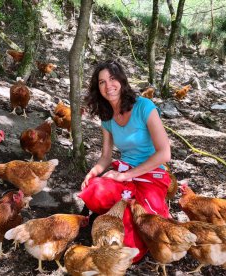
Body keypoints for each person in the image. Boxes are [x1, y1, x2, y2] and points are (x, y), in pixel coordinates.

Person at [79, 60, 171, 263]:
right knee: (93, 189)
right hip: (125, 173)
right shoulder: (107, 117)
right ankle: (118, 213)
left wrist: (124, 175)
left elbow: (164, 153)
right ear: (98, 88)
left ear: (121, 80)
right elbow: (105, 157)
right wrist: (94, 172)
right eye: (102, 82)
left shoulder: (144, 107)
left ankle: (156, 213)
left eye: (112, 79)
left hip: (150, 174)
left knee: (131, 247)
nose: (108, 86)